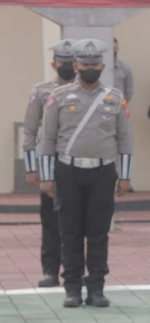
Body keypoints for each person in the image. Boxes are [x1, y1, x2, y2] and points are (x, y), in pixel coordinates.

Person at [38, 39, 133, 309]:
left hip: (103, 172)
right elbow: (47, 138)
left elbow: (125, 139)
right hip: (68, 171)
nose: (89, 68)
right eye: (84, 64)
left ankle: (97, 289)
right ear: (76, 65)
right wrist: (46, 176)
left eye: (94, 64)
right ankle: (72, 288)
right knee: (69, 232)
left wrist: (124, 176)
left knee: (98, 232)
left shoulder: (114, 97)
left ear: (102, 65)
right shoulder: (58, 97)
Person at [22, 38, 77, 288]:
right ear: (54, 63)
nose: (66, 66)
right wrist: (31, 167)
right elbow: (31, 131)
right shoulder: (41, 90)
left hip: (77, 163)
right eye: (62, 62)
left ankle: (74, 271)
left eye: (70, 62)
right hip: (49, 164)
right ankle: (51, 271)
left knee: (77, 221)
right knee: (50, 220)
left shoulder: (87, 90)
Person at [112, 38, 134, 102]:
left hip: (119, 107)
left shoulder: (125, 68)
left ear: (117, 48)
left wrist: (122, 104)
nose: (113, 50)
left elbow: (129, 91)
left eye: (114, 48)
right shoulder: (98, 67)